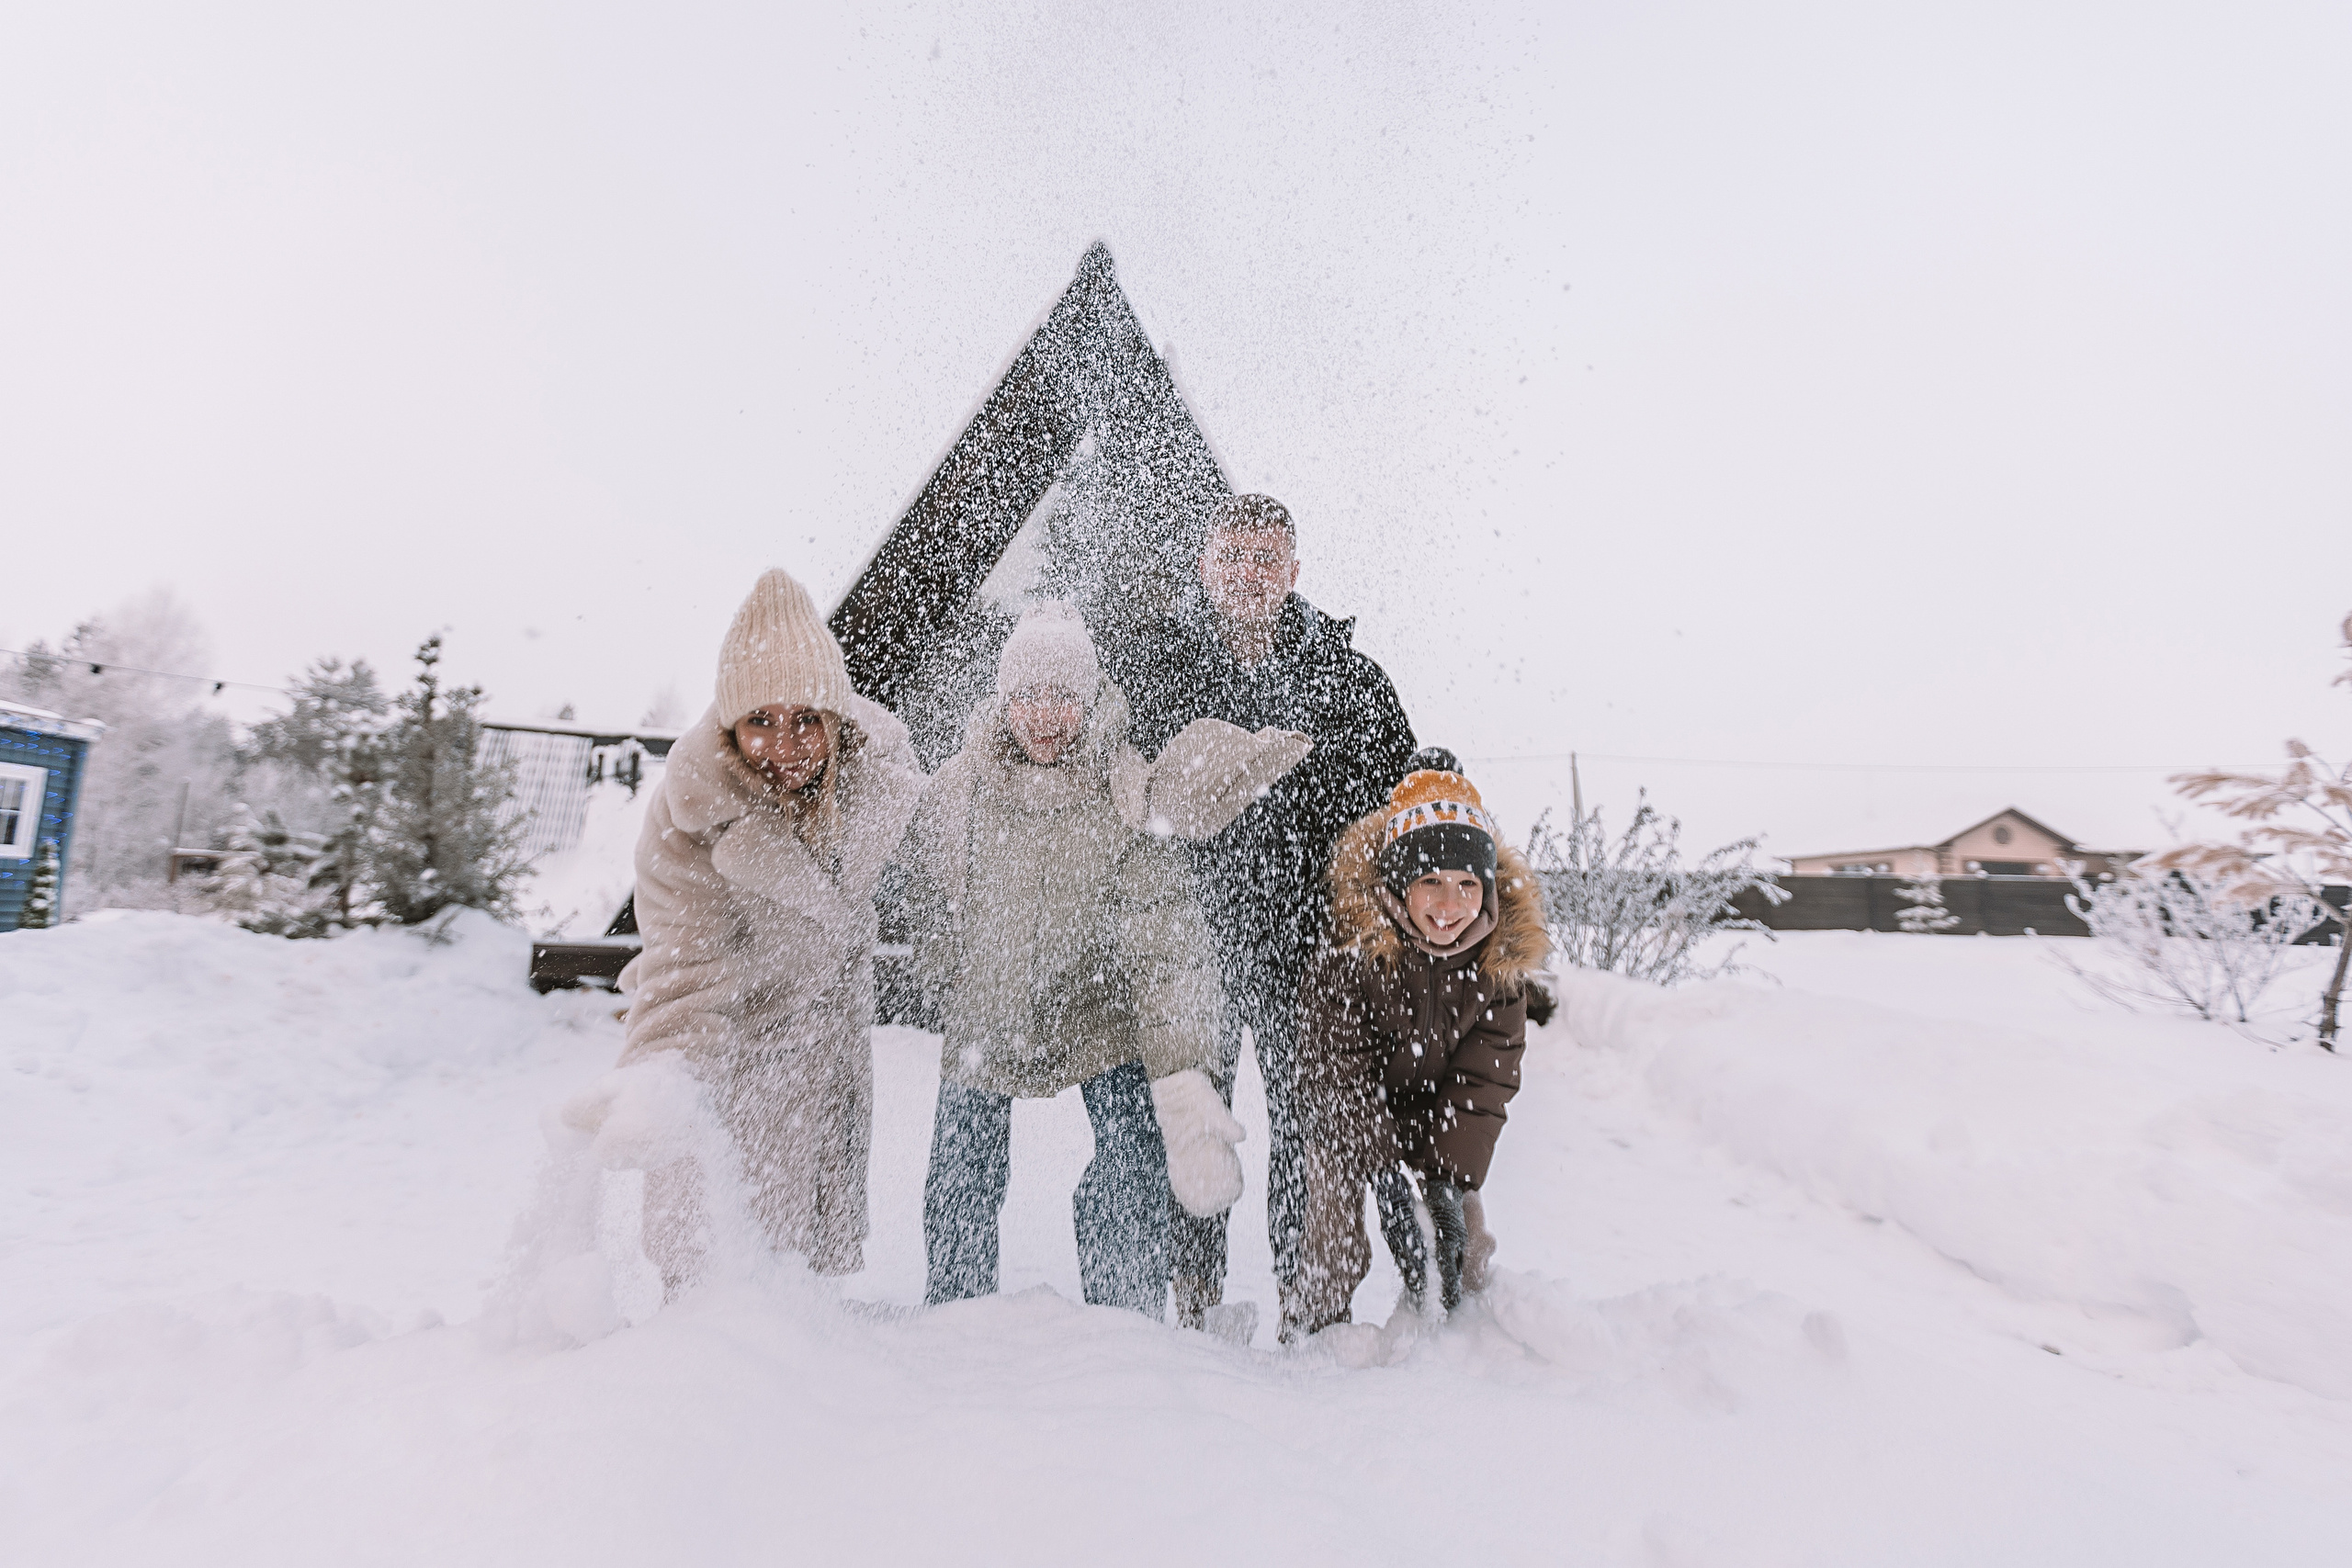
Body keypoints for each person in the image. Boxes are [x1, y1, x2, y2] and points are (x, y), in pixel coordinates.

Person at [903, 604, 1302, 1315]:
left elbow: (1166, 943)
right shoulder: (962, 789)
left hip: (1097, 1008)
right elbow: (928, 886)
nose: (1044, 715)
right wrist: (947, 974)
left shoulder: (1119, 790)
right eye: (1027, 695)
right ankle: (955, 1309)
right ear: (1004, 700)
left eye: (1063, 696)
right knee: (962, 1164)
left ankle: (1125, 1312)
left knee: (1133, 1146)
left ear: (1088, 702)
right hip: (991, 1007)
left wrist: (1182, 1075)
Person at [1103, 492, 1416, 1328]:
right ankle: (1196, 1300)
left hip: (1301, 947)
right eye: (1232, 557)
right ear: (1205, 566)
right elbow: (1114, 777)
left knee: (1304, 1129)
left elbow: (1403, 799)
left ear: (1293, 571)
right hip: (1192, 945)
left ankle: (1301, 1301)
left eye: (1265, 559)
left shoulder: (1346, 679)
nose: (1248, 574)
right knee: (1196, 1130)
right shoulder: (1161, 664)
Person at [614, 567, 925, 1291]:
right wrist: (662, 1086)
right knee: (713, 1254)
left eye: (805, 719)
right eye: (761, 721)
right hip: (730, 1042)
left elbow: (949, 850)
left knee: (800, 1271)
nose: (785, 745)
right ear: (730, 726)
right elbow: (683, 972)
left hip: (829, 1039)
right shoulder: (688, 815)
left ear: (836, 720)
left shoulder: (874, 775)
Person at [1286, 762, 1550, 1341]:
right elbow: (1336, 1069)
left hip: (1438, 1113)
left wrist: (1446, 1182)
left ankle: (1460, 1338)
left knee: (1463, 1239)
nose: (1449, 905)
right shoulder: (1353, 948)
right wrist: (1384, 1175)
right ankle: (1315, 1337)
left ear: (1487, 887)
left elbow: (1484, 1081)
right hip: (1354, 1111)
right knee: (1333, 1235)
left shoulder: (1501, 965)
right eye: (1430, 881)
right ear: (1398, 882)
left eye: (1467, 885)